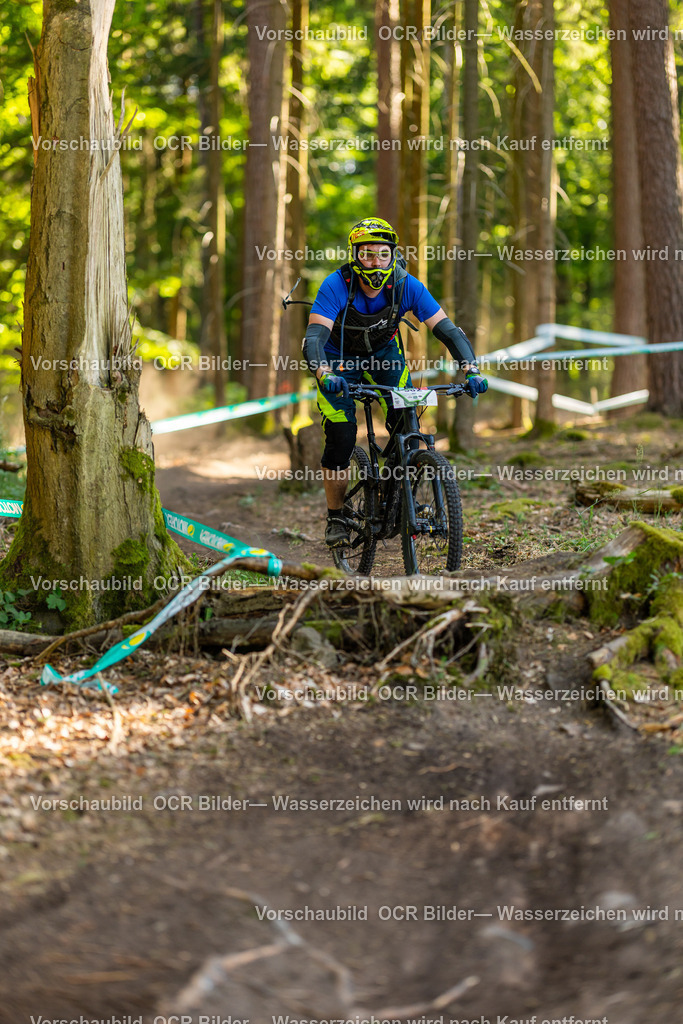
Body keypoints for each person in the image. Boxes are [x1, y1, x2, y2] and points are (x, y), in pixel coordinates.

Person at [302, 217, 488, 548]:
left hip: (385, 359)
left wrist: (471, 369)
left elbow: (446, 330)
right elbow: (314, 337)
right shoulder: (336, 284)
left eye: (383, 254)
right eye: (367, 254)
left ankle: (400, 496)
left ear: (393, 255)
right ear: (355, 256)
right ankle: (336, 517)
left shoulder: (406, 285)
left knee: (408, 423)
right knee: (342, 435)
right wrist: (324, 374)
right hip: (337, 360)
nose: (376, 262)